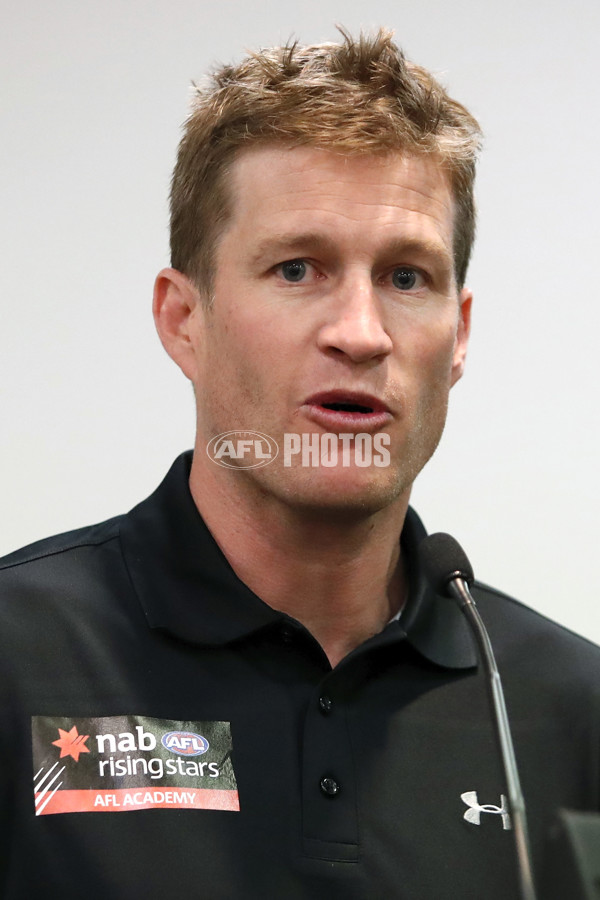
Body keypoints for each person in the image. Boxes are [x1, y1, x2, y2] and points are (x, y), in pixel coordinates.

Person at [1, 28, 599, 900]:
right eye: (297, 268)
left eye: (406, 277)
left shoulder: (565, 709)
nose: (360, 332)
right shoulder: (23, 657)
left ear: (459, 335)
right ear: (183, 320)